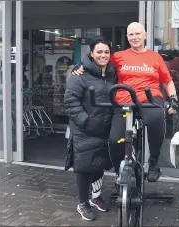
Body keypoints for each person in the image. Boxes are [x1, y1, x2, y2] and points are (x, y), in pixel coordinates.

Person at [72, 22, 178, 184]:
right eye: (131, 35)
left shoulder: (155, 57)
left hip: (149, 99)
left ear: (144, 35)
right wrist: (81, 65)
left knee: (156, 120)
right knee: (115, 140)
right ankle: (119, 172)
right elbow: (100, 61)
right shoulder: (119, 56)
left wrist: (173, 99)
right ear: (127, 37)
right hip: (124, 100)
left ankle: (153, 164)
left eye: (137, 34)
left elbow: (167, 81)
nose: (134, 37)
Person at [64, 36, 116, 221]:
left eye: (106, 52)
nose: (103, 55)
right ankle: (82, 202)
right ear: (92, 54)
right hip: (84, 128)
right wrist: (86, 121)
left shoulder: (112, 74)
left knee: (99, 163)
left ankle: (96, 197)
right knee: (84, 166)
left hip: (104, 127)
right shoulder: (80, 75)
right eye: (99, 52)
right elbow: (71, 103)